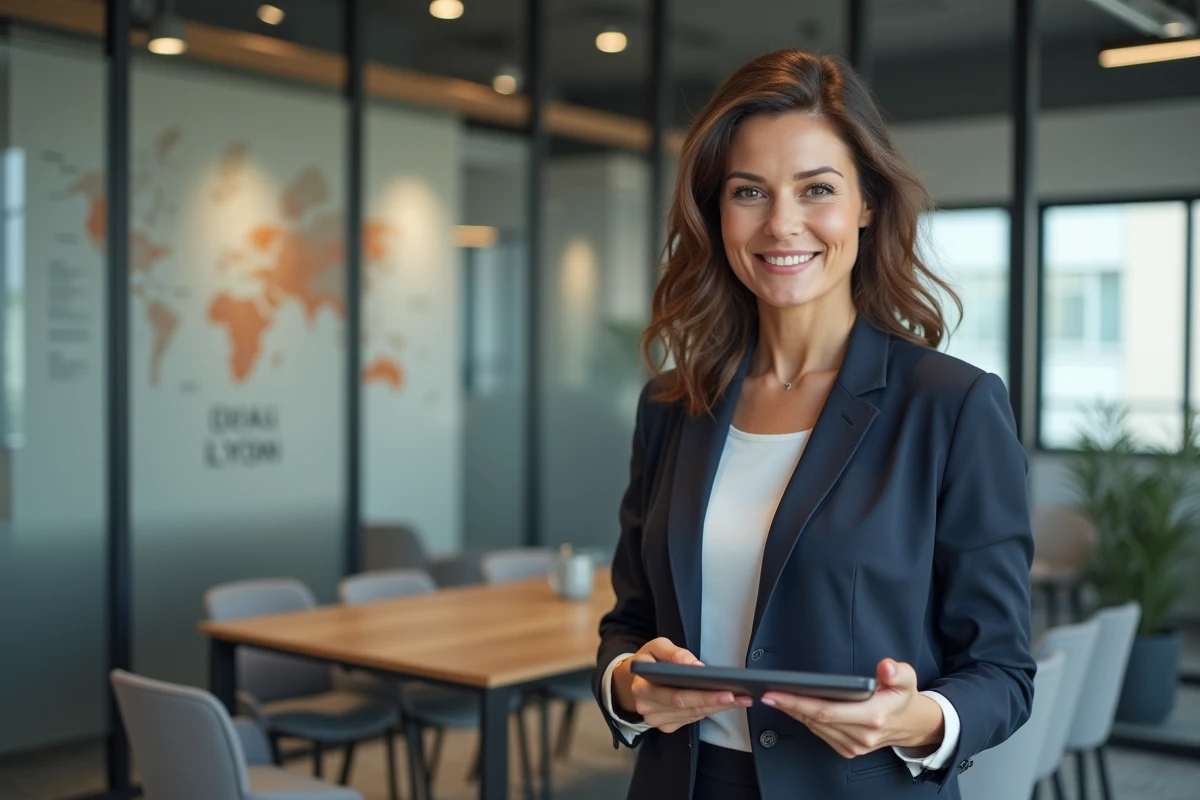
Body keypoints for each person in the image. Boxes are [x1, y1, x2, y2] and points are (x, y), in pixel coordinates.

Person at [591, 49, 1035, 800]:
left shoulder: (950, 404)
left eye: (816, 189)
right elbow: (629, 623)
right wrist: (630, 688)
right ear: (717, 211)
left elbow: (1002, 672)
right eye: (749, 192)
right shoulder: (673, 402)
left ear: (866, 202)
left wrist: (916, 718)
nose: (781, 224)